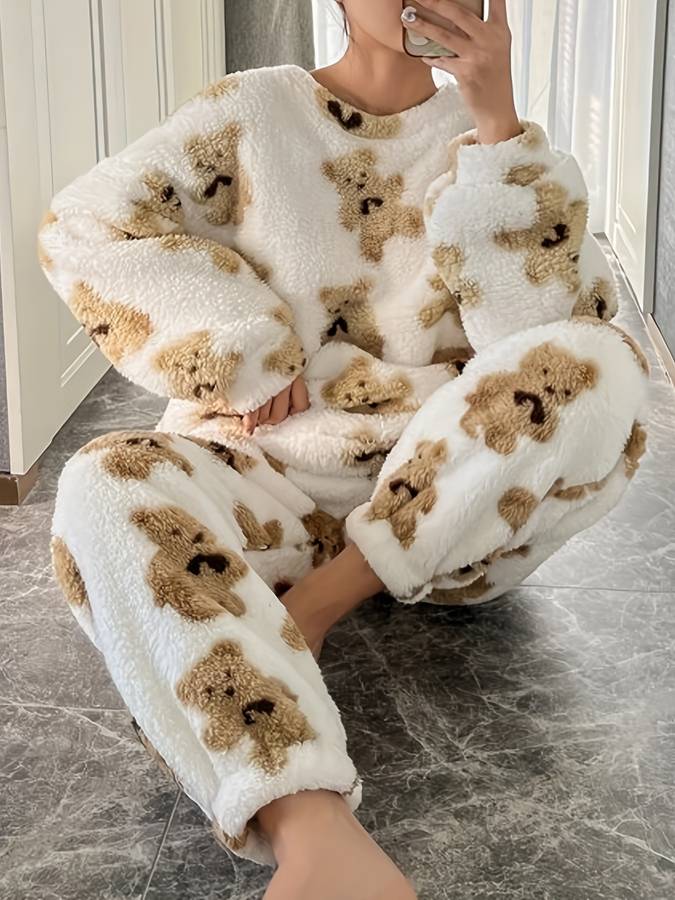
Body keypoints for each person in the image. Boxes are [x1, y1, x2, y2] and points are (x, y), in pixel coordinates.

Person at [39, 1, 649, 897]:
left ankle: (314, 609)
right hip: (266, 485)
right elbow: (85, 227)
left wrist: (496, 127)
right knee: (102, 479)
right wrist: (238, 343)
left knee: (602, 360)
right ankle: (307, 823)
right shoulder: (251, 112)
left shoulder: (492, 139)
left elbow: (546, 342)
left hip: (448, 511)